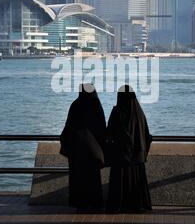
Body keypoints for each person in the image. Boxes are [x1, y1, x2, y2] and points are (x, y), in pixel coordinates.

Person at [105, 85, 152, 213]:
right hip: (137, 157)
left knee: (119, 182)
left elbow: (109, 132)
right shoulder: (139, 112)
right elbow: (146, 135)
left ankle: (119, 205)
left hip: (120, 156)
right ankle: (137, 205)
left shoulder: (117, 111)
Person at [60, 83, 106, 212]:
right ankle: (95, 202)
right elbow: (102, 128)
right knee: (93, 177)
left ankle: (81, 203)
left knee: (78, 177)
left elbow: (68, 127)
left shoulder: (75, 105)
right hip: (93, 150)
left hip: (77, 150)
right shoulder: (96, 105)